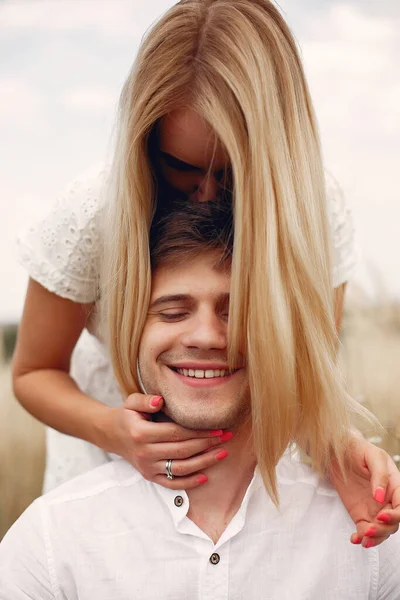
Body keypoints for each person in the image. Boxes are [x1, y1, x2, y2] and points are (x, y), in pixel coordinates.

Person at [12, 0, 400, 540]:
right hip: (103, 478)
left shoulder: (316, 209)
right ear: (145, 145)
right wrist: (117, 433)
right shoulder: (93, 212)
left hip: (252, 490)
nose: (207, 194)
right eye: (181, 166)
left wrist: (338, 448)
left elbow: (303, 379)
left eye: (231, 170)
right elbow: (33, 374)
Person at [2, 201, 400, 599]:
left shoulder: (372, 534)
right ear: (132, 336)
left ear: (279, 333)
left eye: (237, 312)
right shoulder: (52, 543)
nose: (206, 336)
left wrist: (329, 439)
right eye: (173, 313)